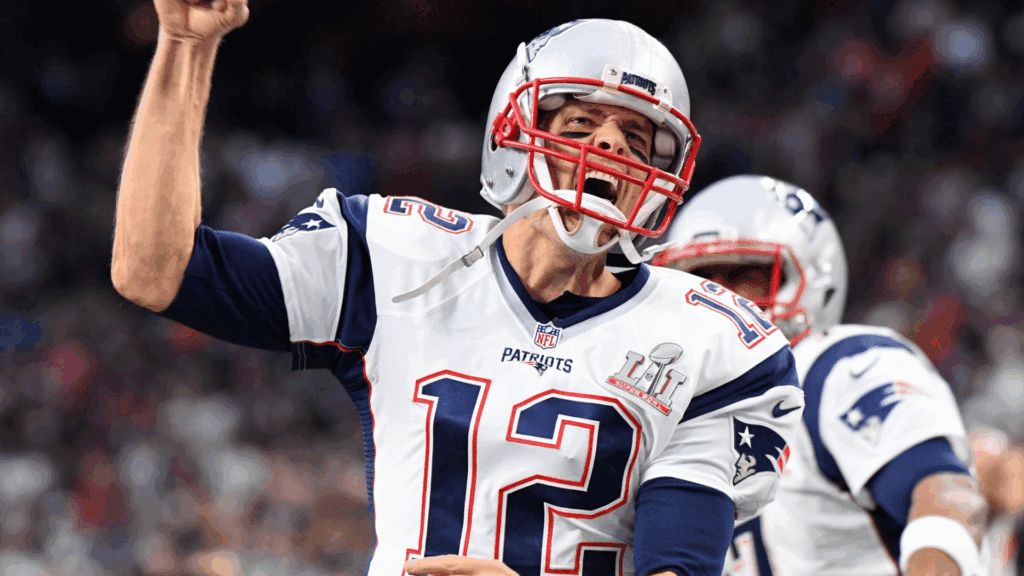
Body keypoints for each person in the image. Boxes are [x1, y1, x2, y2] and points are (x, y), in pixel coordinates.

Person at [111, 3, 804, 575]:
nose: (612, 148)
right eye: (581, 125)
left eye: (636, 138)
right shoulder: (395, 254)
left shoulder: (714, 345)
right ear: (515, 135)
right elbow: (154, 271)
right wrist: (184, 47)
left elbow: (678, 565)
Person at [650, 175, 988, 576]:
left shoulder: (837, 369)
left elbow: (947, 498)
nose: (719, 302)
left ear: (813, 280)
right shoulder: (664, 412)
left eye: (744, 277)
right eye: (700, 282)